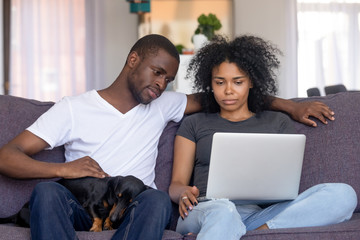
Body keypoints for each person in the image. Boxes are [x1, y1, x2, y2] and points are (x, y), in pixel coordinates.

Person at [0, 34, 335, 240]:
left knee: (157, 198)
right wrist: (64, 170)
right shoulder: (73, 109)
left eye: (168, 79)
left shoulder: (164, 104)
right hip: (84, 205)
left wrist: (290, 106)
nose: (161, 84)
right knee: (46, 193)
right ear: (133, 60)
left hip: (136, 206)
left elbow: (229, 95)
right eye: (157, 72)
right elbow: (8, 156)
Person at [169, 35, 357, 240]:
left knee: (344, 195)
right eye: (220, 82)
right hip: (207, 209)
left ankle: (259, 232)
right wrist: (183, 193)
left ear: (251, 82)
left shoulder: (278, 123)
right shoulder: (194, 123)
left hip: (260, 215)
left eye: (238, 82)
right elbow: (176, 184)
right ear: (210, 83)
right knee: (223, 210)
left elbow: (287, 183)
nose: (228, 90)